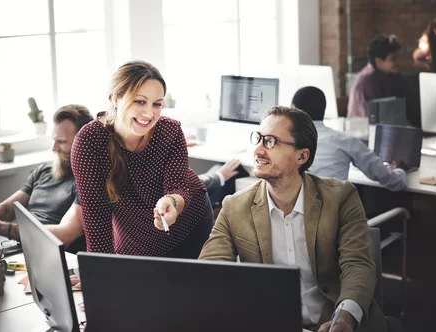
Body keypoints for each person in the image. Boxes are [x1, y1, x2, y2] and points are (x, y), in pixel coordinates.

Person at [199, 106, 387, 332]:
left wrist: (346, 317)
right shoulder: (235, 206)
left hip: (334, 321)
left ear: (302, 156)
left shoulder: (341, 198)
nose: (258, 150)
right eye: (258, 139)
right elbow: (210, 270)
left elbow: (357, 265)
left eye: (271, 141)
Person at [71, 60, 214, 258]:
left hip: (189, 225)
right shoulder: (90, 141)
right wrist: (98, 272)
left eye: (157, 104)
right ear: (115, 98)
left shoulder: (169, 131)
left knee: (194, 287)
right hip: (135, 240)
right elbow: (96, 218)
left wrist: (171, 201)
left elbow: (180, 186)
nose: (149, 113)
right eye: (139, 101)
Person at [0, 105, 94, 253]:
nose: (54, 148)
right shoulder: (43, 171)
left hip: (47, 254)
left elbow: (64, 235)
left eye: (61, 142)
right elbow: (7, 209)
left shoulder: (88, 183)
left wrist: (0, 227)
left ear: (84, 144)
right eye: (54, 140)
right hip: (21, 246)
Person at [294, 86, 407, 192]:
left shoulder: (286, 143)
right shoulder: (344, 141)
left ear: (295, 111)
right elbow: (392, 181)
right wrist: (400, 171)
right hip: (332, 212)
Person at [348, 34, 406, 118]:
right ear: (379, 61)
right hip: (362, 128)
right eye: (393, 59)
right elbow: (375, 117)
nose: (398, 62)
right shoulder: (368, 79)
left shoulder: (383, 75)